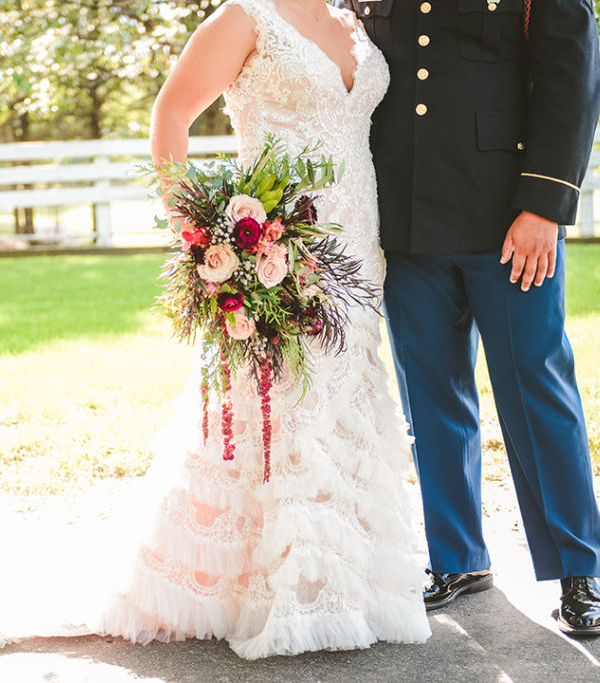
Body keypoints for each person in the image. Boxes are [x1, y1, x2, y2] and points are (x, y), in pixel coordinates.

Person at [88, 0, 432, 659]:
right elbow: (170, 116)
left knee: (341, 403)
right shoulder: (244, 17)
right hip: (279, 249)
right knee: (282, 412)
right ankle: (271, 588)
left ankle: (346, 584)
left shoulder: (354, 19)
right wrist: (197, 234)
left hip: (356, 252)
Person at [337, 0, 600, 636]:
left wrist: (545, 204)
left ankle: (579, 567)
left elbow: (573, 73)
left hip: (510, 217)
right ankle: (457, 558)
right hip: (405, 216)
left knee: (534, 386)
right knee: (431, 397)